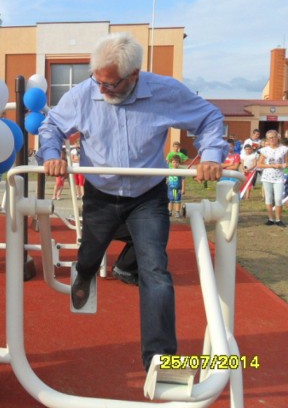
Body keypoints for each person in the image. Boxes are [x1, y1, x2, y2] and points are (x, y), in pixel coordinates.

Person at [37, 32, 227, 371]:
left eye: (110, 85)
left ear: (134, 75)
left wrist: (211, 154)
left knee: (156, 270)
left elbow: (210, 118)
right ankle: (84, 272)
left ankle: (159, 358)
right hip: (101, 193)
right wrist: (52, 154)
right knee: (90, 255)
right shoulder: (84, 95)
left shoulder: (165, 92)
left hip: (146, 197)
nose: (102, 91)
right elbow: (50, 126)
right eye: (97, 82)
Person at [257, 130, 288, 227]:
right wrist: (272, 166)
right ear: (267, 139)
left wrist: (282, 165)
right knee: (269, 198)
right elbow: (259, 164)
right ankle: (270, 218)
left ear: (278, 137)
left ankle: (278, 219)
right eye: (270, 137)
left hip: (279, 177)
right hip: (267, 177)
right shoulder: (264, 150)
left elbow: (287, 163)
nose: (272, 139)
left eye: (274, 137)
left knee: (278, 198)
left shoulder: (284, 149)